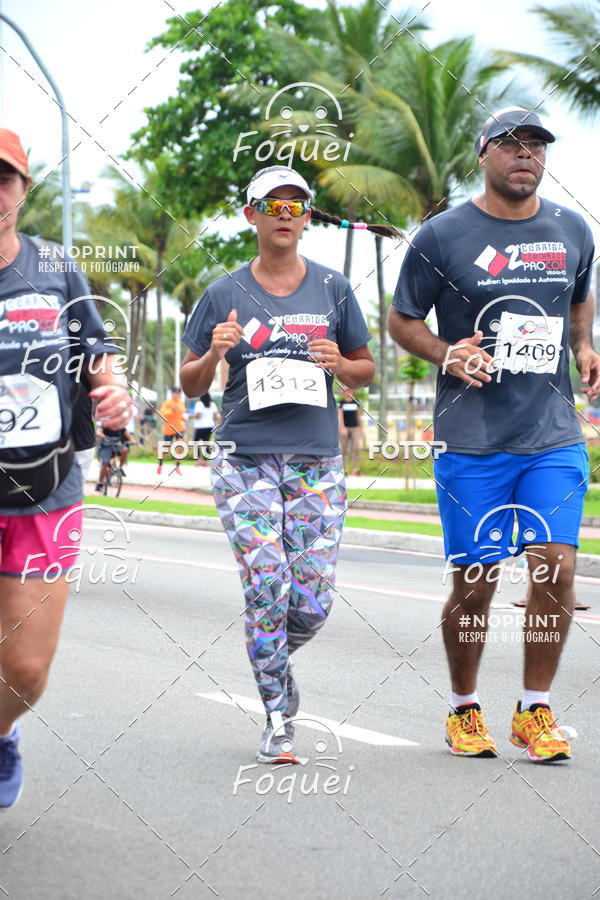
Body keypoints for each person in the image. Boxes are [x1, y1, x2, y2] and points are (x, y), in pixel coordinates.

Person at [388, 108, 599, 763]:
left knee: (556, 567)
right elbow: (402, 320)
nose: (524, 154)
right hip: (471, 437)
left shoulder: (572, 228)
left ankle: (535, 709)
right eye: (510, 143)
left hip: (551, 434)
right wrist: (447, 352)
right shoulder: (442, 236)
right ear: (482, 154)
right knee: (476, 580)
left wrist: (584, 345)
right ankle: (464, 707)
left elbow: (579, 294)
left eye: (535, 144)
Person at [180, 164, 393, 763]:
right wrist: (214, 354)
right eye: (271, 205)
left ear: (306, 218)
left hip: (315, 461)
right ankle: (277, 714)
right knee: (267, 582)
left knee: (312, 602)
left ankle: (269, 651)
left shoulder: (332, 287)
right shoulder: (223, 293)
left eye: (295, 206)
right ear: (251, 215)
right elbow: (189, 382)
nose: (284, 214)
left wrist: (340, 365)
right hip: (244, 458)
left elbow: (365, 369)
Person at [0, 129, 131, 807]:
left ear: (23, 190)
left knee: (24, 668)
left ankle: (1, 733)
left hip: (43, 491)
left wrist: (112, 391)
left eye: (3, 179)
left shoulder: (54, 266)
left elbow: (96, 353)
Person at [156, 386, 187, 475]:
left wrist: (185, 419)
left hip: (179, 428)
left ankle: (177, 467)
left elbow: (181, 414)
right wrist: (172, 410)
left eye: (179, 393)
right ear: (172, 394)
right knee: (165, 449)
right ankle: (160, 465)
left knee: (180, 446)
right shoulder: (167, 403)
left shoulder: (181, 403)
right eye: (176, 393)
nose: (177, 395)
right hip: (169, 429)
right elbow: (163, 413)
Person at [95, 424, 134, 490]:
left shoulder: (120, 426)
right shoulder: (106, 424)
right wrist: (104, 436)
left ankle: (120, 468)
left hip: (115, 446)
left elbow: (129, 436)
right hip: (106, 447)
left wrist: (132, 440)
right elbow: (98, 432)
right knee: (105, 463)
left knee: (125, 449)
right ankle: (100, 483)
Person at [337, 387, 363, 475]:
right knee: (344, 449)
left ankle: (356, 468)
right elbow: (340, 416)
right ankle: (344, 469)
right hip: (345, 428)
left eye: (350, 390)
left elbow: (358, 415)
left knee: (356, 448)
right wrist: (342, 427)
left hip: (355, 427)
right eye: (347, 391)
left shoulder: (356, 402)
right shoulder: (341, 403)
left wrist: (360, 428)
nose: (349, 392)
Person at [192, 392, 219, 465]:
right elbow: (215, 416)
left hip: (200, 426)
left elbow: (198, 416)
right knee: (206, 443)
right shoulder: (212, 404)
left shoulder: (199, 404)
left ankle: (198, 460)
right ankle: (205, 462)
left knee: (195, 443)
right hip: (209, 426)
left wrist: (191, 416)